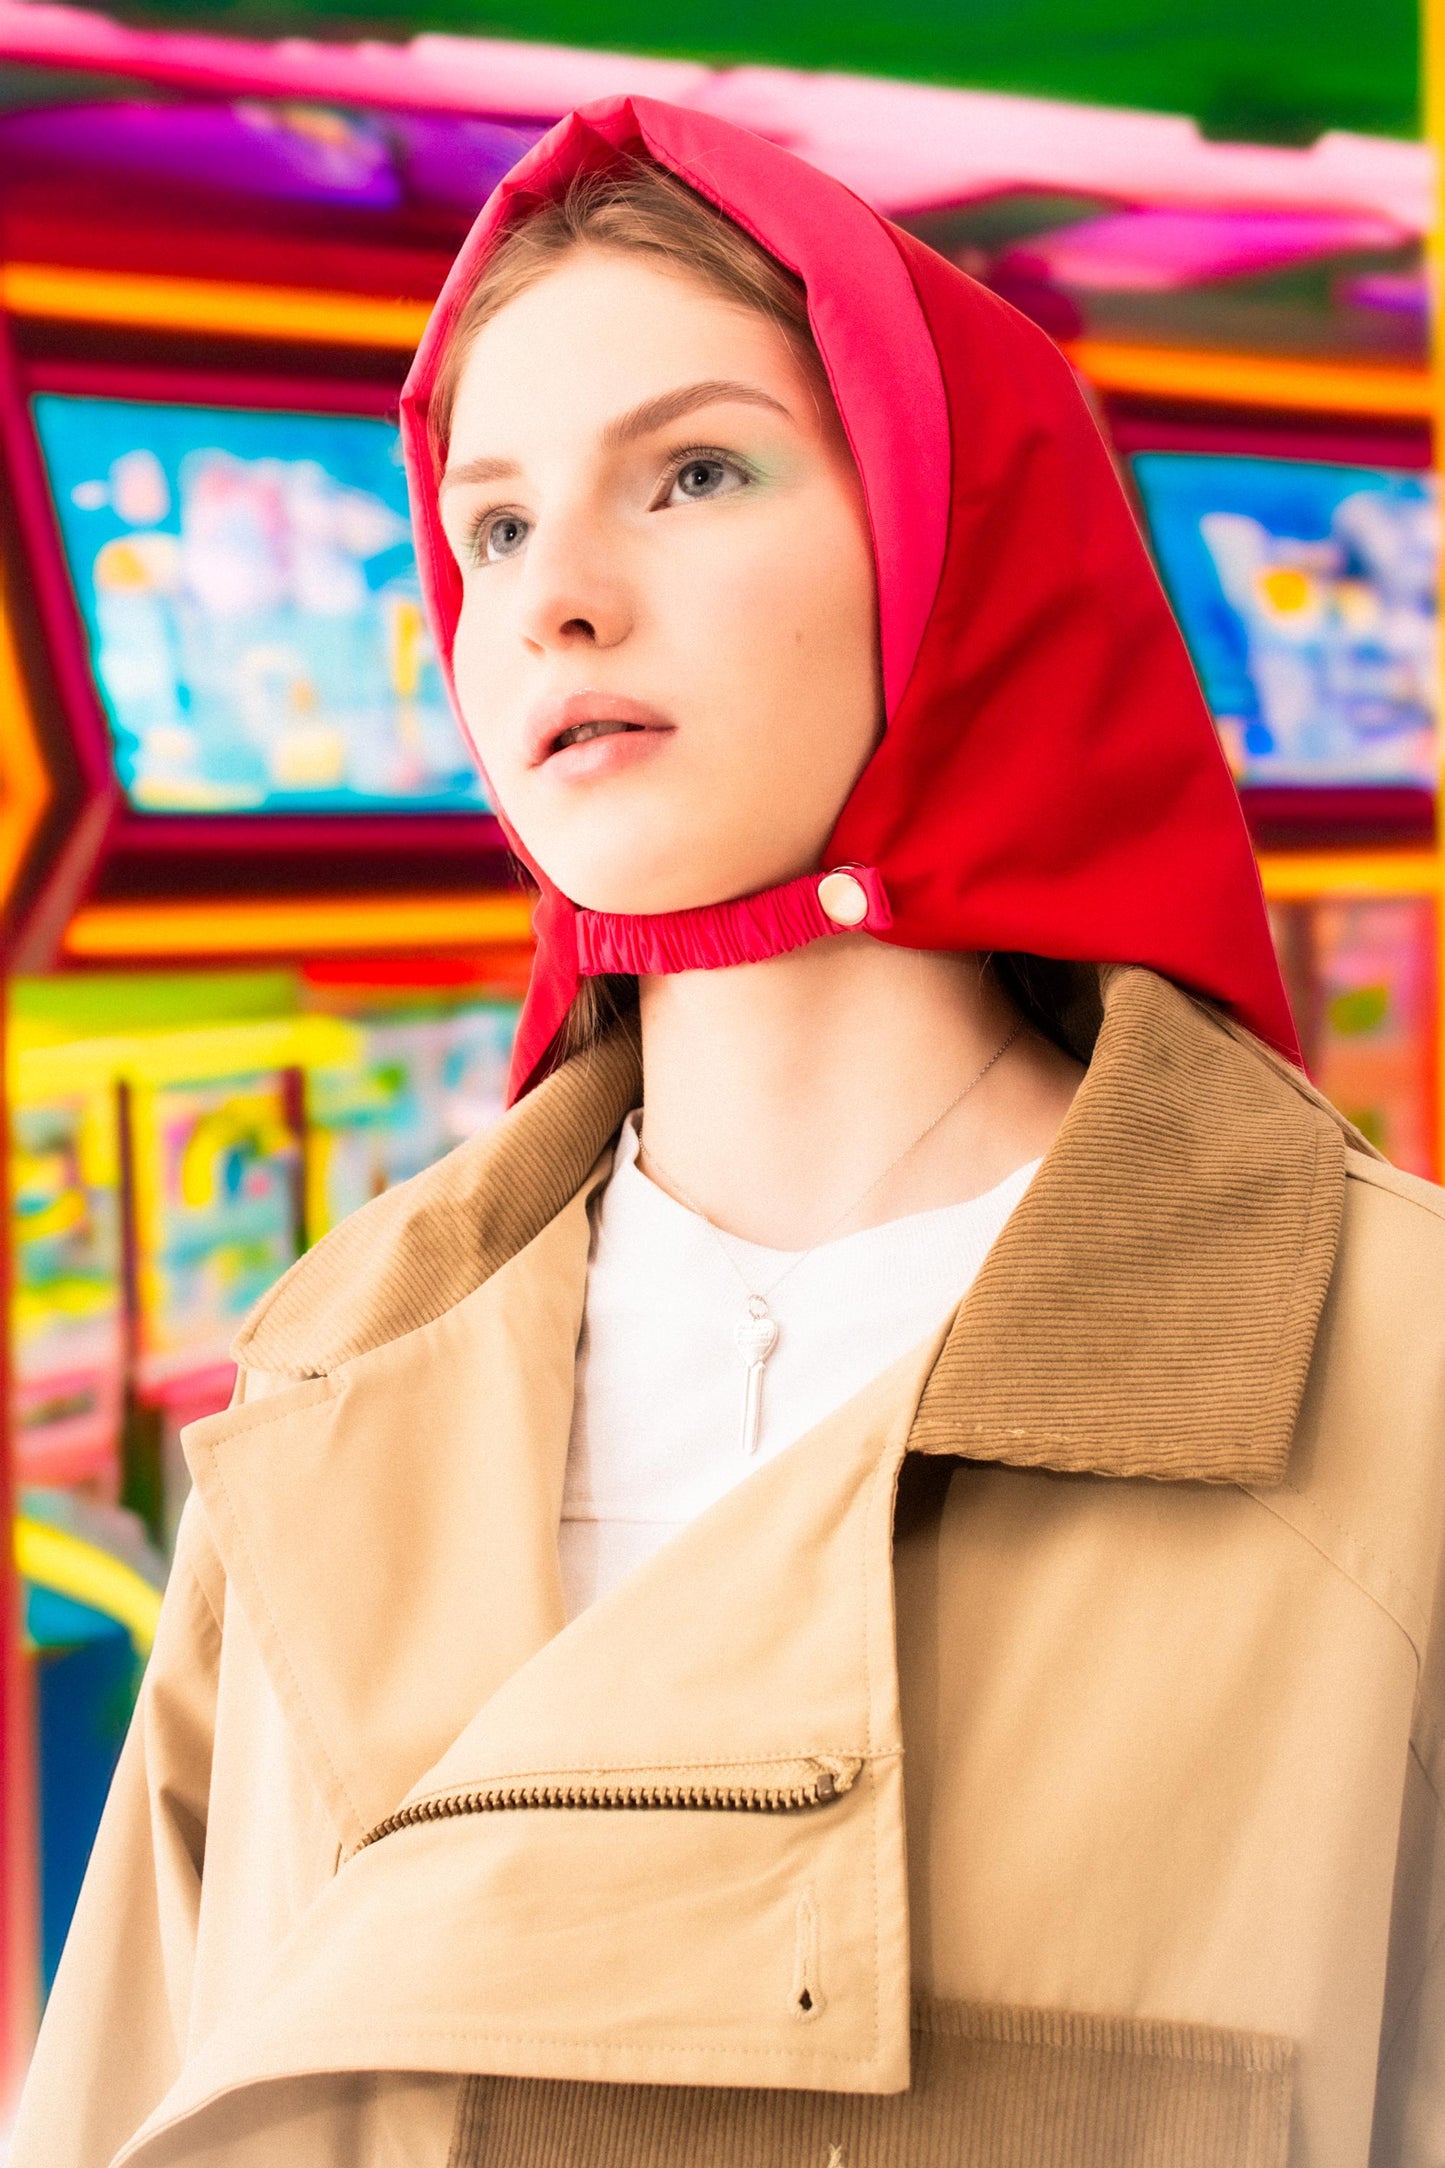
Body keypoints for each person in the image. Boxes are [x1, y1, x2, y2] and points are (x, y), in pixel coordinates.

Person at [12, 94, 1445, 2168]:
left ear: (954, 552)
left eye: (691, 472)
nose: (556, 601)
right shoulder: (328, 1376)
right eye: (495, 527)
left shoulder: (1394, 1368)